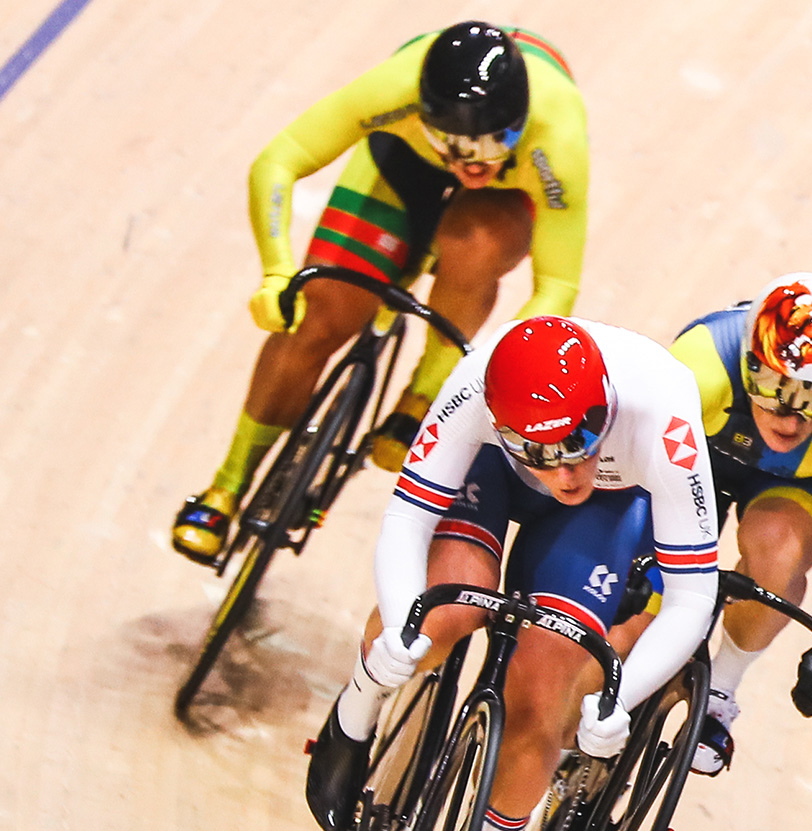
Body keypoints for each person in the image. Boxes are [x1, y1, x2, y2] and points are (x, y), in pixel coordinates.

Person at [304, 316, 717, 831]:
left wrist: (621, 695)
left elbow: (691, 598)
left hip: (604, 514)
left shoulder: (664, 412)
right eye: (543, 451)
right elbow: (406, 519)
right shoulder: (475, 382)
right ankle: (352, 721)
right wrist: (396, 644)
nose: (566, 470)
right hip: (491, 475)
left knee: (543, 690)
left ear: (604, 411)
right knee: (441, 613)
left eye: (581, 445)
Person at [173, 22, 590, 563]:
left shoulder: (557, 142)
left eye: (493, 145)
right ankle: (225, 488)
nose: (473, 164)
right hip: (404, 159)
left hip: (509, 196)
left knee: (473, 246)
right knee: (315, 319)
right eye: (456, 145)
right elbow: (279, 160)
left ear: (520, 125)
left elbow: (557, 285)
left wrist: (495, 368)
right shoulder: (394, 90)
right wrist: (277, 272)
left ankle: (422, 392)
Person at [666, 273, 812, 772]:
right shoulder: (700, 365)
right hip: (696, 456)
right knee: (643, 603)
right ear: (746, 364)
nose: (791, 419)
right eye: (772, 391)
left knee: (778, 552)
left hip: (789, 489)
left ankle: (720, 690)